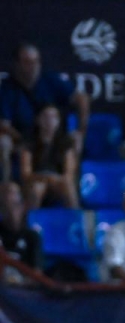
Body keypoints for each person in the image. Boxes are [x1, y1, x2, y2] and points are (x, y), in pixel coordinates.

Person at [0, 42, 89, 182]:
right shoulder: (7, 88)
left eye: (36, 61)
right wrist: (26, 140)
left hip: (55, 140)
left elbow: (81, 98)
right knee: (3, 142)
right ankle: (7, 191)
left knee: (76, 141)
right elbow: (4, 124)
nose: (33, 66)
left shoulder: (50, 79)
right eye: (27, 62)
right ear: (17, 64)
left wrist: (81, 129)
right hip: (23, 139)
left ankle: (73, 186)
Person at [18, 104, 78, 210]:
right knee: (38, 188)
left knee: (68, 185)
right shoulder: (29, 142)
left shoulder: (66, 143)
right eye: (45, 116)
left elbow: (69, 174)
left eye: (53, 117)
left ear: (58, 122)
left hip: (58, 182)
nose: (49, 121)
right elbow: (26, 174)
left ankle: (76, 219)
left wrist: (54, 179)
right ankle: (30, 223)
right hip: (35, 182)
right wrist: (46, 178)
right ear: (38, 120)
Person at [0, 182, 43, 273]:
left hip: (22, 285)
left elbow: (37, 274)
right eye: (7, 206)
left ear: (23, 207)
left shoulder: (32, 237)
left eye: (15, 205)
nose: (12, 212)